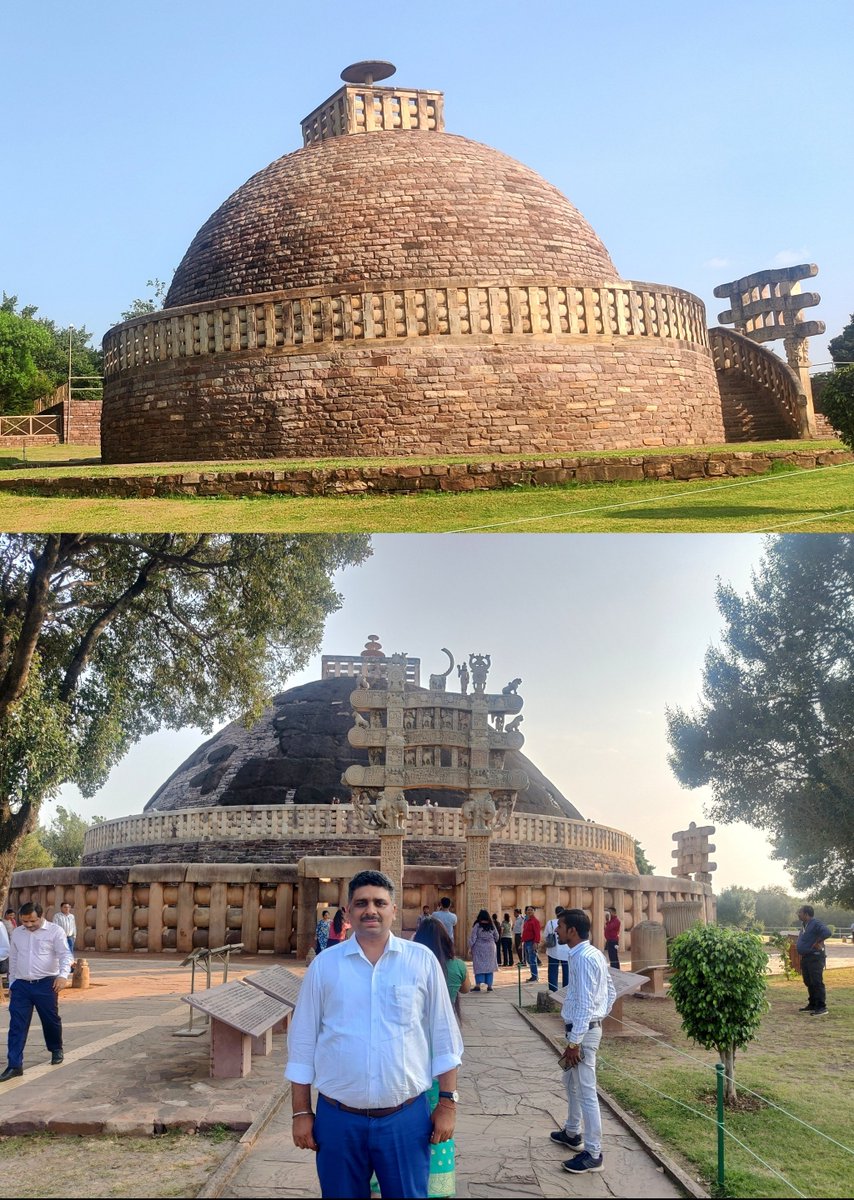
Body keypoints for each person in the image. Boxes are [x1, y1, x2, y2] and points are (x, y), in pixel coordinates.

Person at [287, 869, 463, 1199]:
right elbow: (302, 1043)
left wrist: (447, 1104)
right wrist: (301, 1112)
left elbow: (444, 1036)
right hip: (338, 1119)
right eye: (362, 903)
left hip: (405, 1118)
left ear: (394, 910)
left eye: (379, 903)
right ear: (348, 911)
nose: (371, 910)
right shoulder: (325, 966)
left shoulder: (421, 961)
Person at [549, 907, 616, 1175]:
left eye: (560, 926)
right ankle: (572, 1131)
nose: (556, 930)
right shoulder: (591, 953)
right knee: (570, 1081)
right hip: (584, 1029)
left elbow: (587, 1004)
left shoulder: (584, 958)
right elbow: (610, 991)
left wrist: (576, 1040)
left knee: (587, 1091)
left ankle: (593, 1153)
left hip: (582, 1034)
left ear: (572, 930)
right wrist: (599, 1016)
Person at [411, 916, 470, 1198]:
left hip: (416, 1047)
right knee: (441, 1117)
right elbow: (467, 988)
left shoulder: (412, 966)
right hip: (445, 1048)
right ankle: (440, 1185)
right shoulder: (456, 966)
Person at [1, 902, 74, 1081]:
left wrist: (62, 976)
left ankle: (56, 1048)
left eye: (32, 921)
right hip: (21, 985)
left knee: (50, 1020)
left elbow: (65, 955)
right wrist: (12, 983)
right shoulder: (17, 933)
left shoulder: (55, 931)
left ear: (41, 916)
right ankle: (14, 1065)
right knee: (17, 1025)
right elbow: (14, 958)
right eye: (24, 921)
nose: (28, 925)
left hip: (46, 984)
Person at [796, 904, 832, 1016]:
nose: (798, 914)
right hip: (806, 957)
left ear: (806, 914)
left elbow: (827, 932)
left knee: (816, 982)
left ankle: (821, 1007)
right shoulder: (804, 925)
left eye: (800, 912)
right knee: (808, 981)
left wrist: (818, 942)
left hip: (815, 957)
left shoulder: (815, 923)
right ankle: (812, 1004)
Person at [469, 910, 499, 992]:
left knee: (478, 966)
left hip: (479, 948)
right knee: (490, 966)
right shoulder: (492, 925)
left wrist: (470, 947)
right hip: (490, 948)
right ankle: (489, 986)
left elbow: (473, 937)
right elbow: (497, 936)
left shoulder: (477, 925)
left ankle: (478, 985)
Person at [545, 906, 570, 992]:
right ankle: (566, 991)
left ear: (555, 913)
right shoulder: (568, 923)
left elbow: (545, 935)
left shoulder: (550, 922)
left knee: (552, 971)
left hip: (553, 951)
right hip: (566, 951)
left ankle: (553, 991)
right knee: (567, 972)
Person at [521, 905, 542, 982]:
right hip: (526, 943)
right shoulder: (527, 921)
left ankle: (534, 977)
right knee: (529, 960)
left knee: (532, 960)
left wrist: (536, 942)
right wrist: (522, 941)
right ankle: (533, 975)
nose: (529, 911)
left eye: (531, 910)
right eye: (528, 910)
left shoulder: (535, 921)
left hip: (531, 942)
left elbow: (537, 933)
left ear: (534, 911)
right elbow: (525, 932)